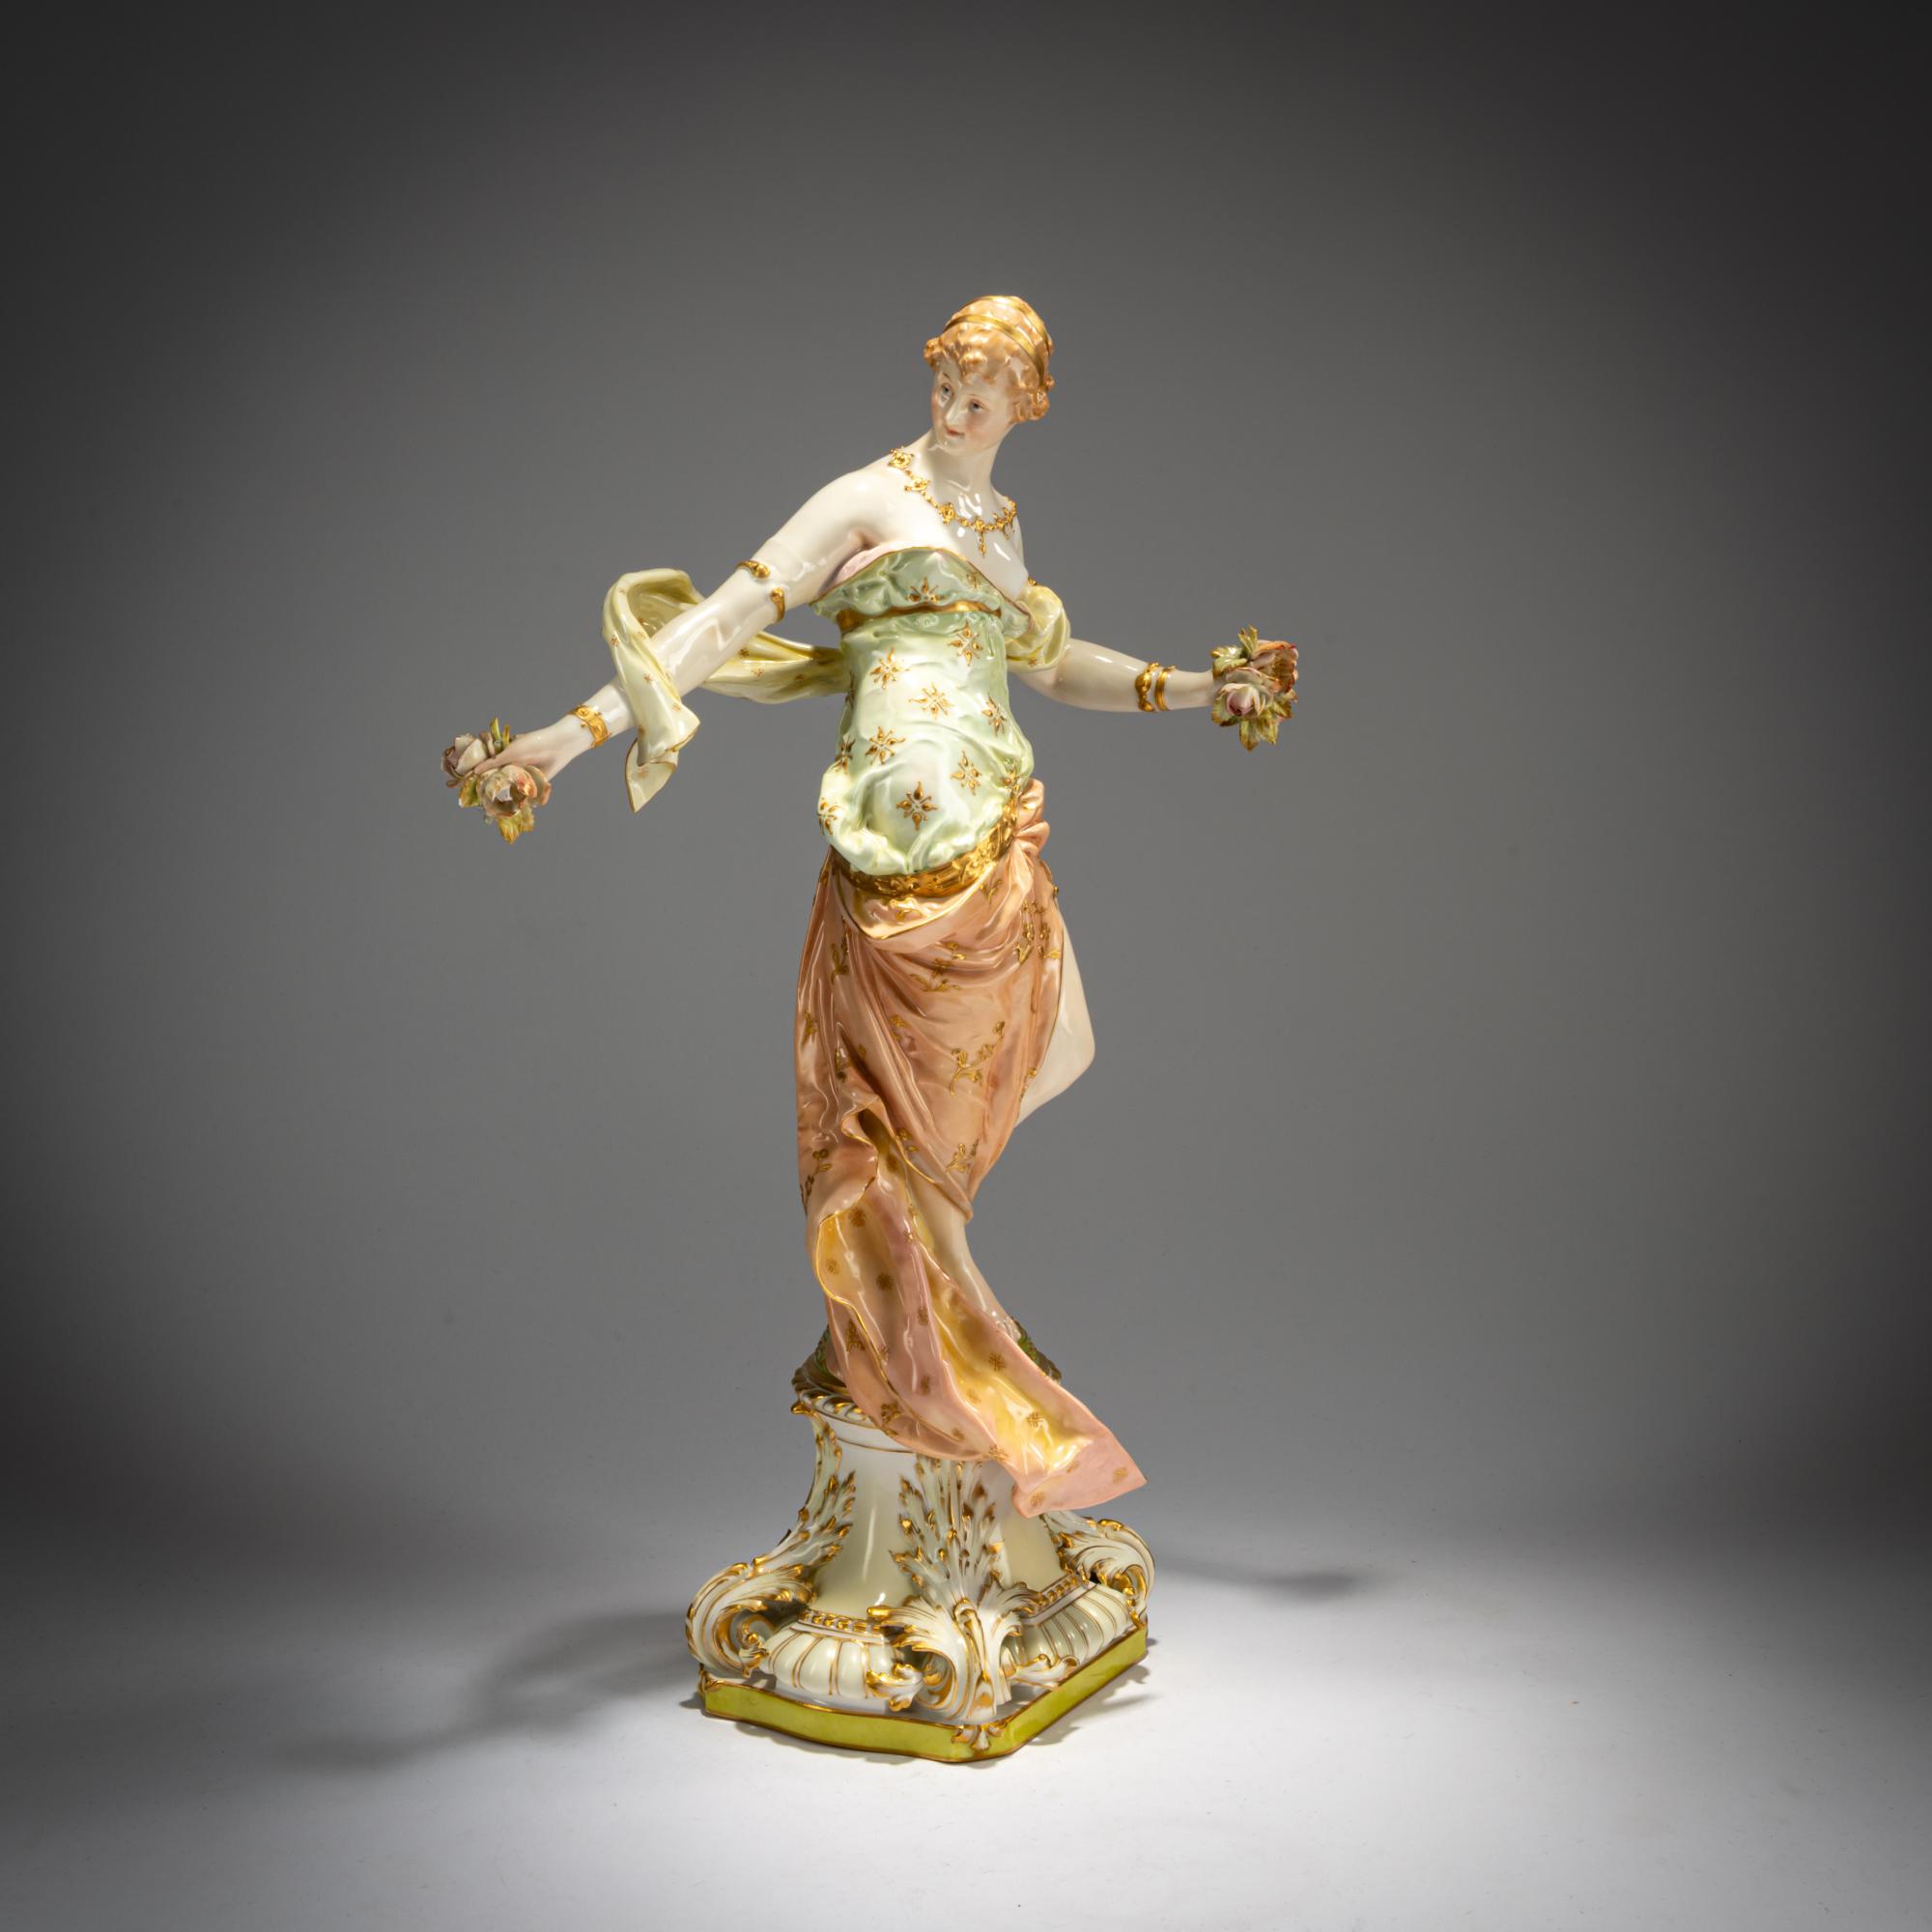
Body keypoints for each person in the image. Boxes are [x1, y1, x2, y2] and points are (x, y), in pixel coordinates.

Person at [452, 296, 1293, 1516]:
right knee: (891, 1129)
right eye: (946, 383)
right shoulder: (864, 496)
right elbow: (720, 620)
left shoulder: (1001, 528)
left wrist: (1195, 687)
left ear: (1025, 406)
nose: (956, 409)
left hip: (993, 839)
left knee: (1018, 1075)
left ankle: (924, 1332)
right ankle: (925, 1352)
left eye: (982, 396)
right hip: (891, 855)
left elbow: (1046, 663)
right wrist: (567, 735)